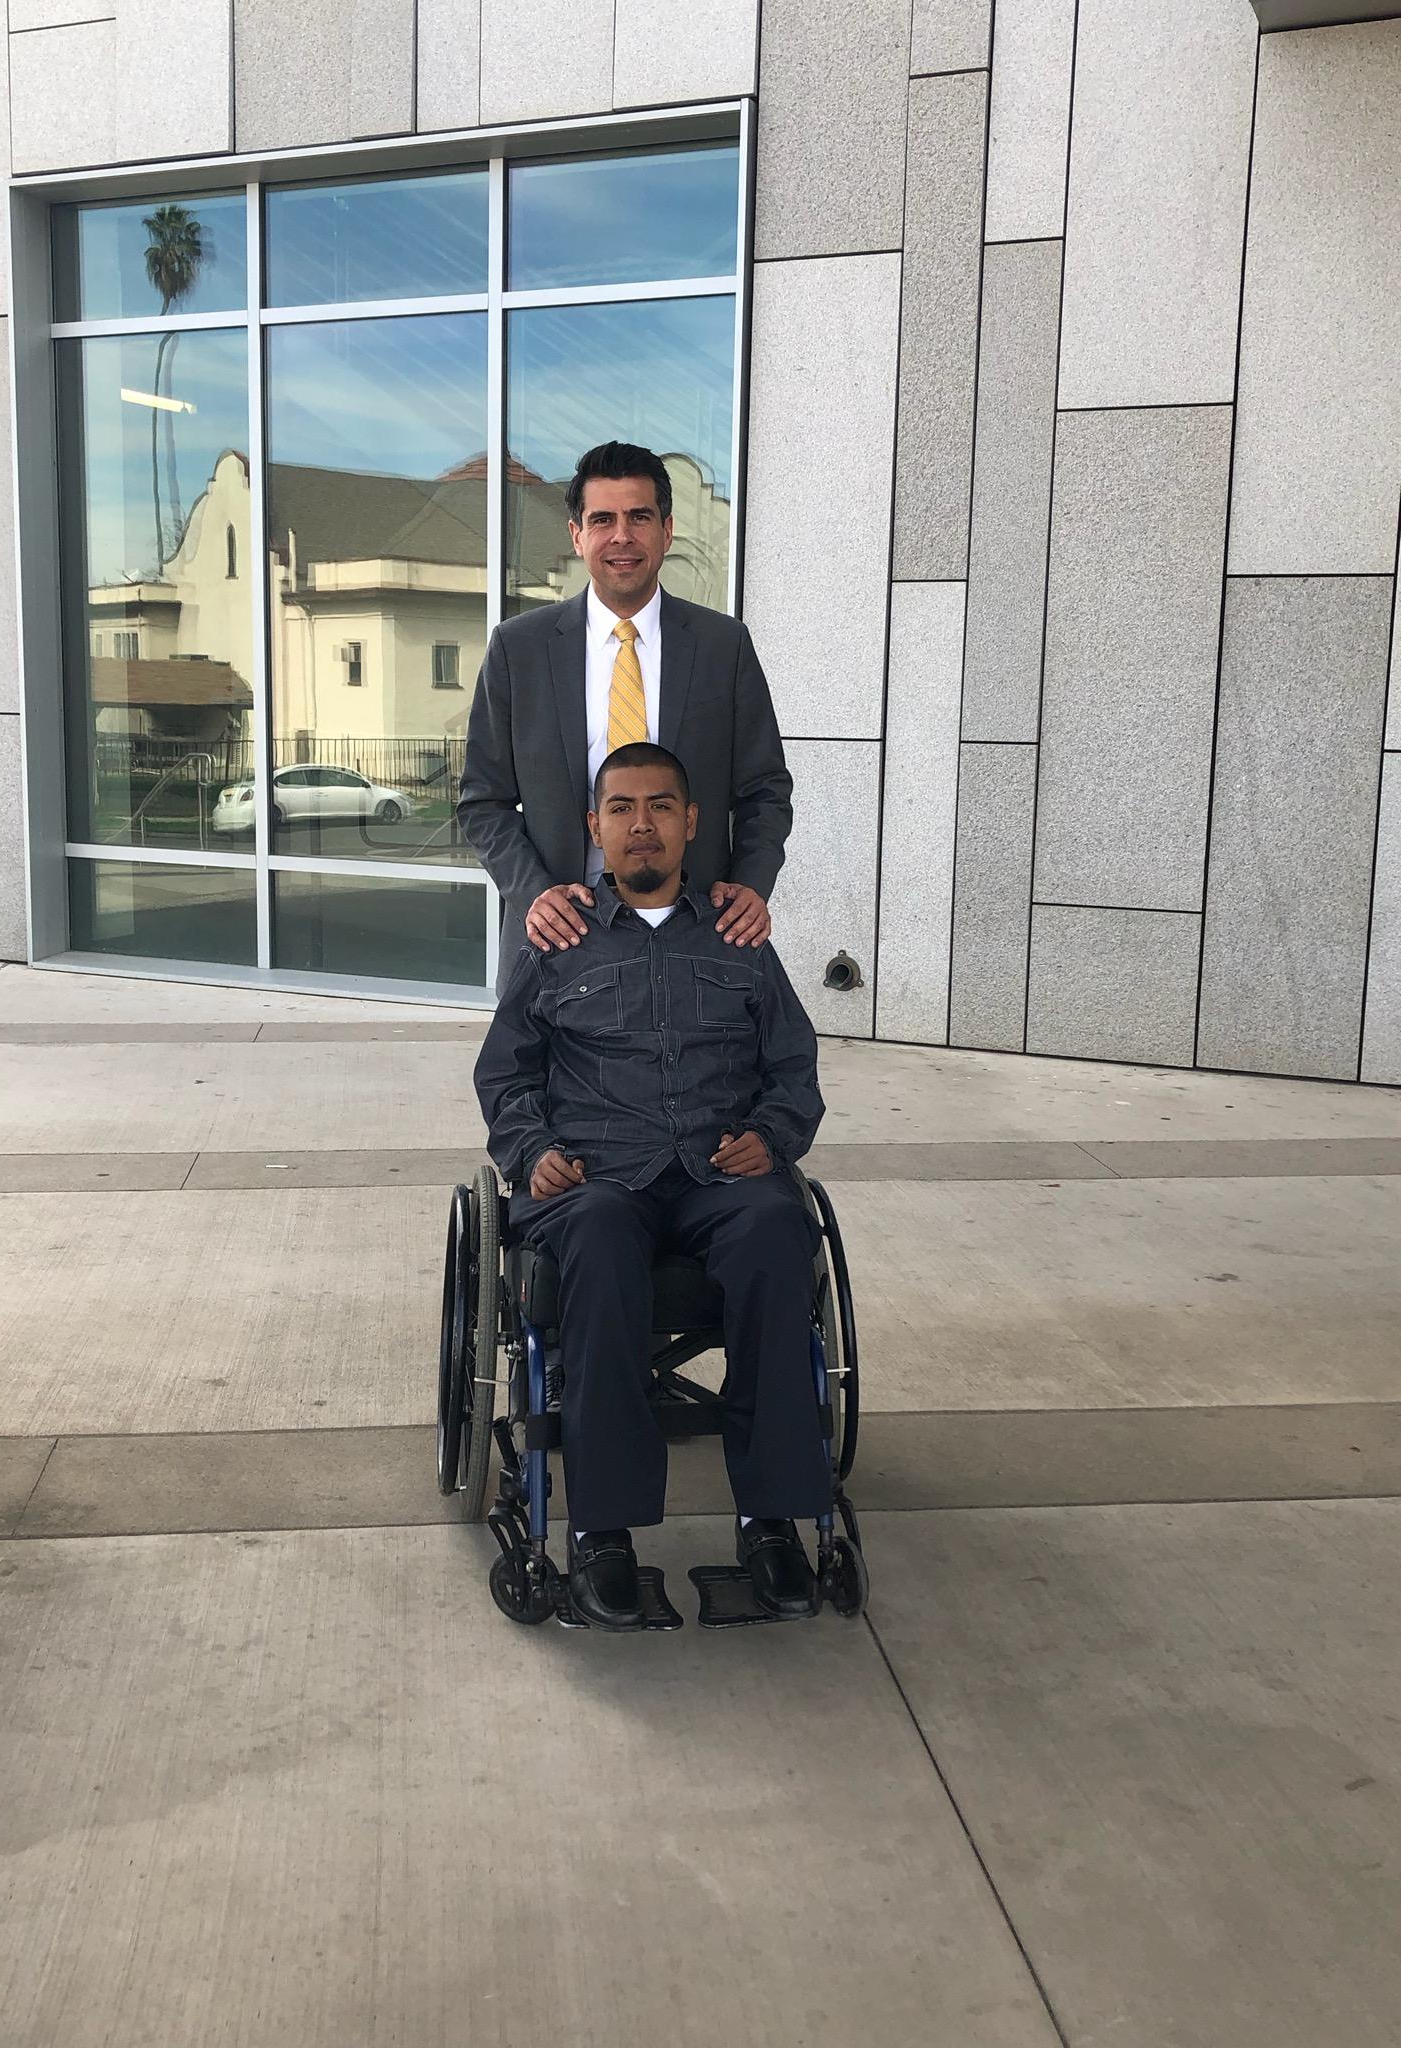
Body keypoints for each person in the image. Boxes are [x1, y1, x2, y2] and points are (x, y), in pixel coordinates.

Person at [474, 743, 832, 1631]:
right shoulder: (559, 939)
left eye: (661, 807)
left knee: (777, 1234)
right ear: (595, 827)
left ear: (690, 824)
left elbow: (793, 1067)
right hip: (597, 1178)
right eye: (622, 808)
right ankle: (603, 1534)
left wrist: (775, 1136)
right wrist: (531, 1150)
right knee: (594, 1235)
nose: (642, 824)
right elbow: (504, 1075)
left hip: (720, 1171)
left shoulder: (738, 936)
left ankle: (772, 1522)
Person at [458, 440, 792, 985]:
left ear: (667, 529)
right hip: (560, 933)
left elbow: (765, 790)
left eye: (639, 517)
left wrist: (752, 884)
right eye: (603, 519)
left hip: (696, 934)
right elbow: (483, 800)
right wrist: (533, 894)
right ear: (576, 533)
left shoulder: (722, 646)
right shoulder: (519, 649)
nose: (622, 536)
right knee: (534, 1075)